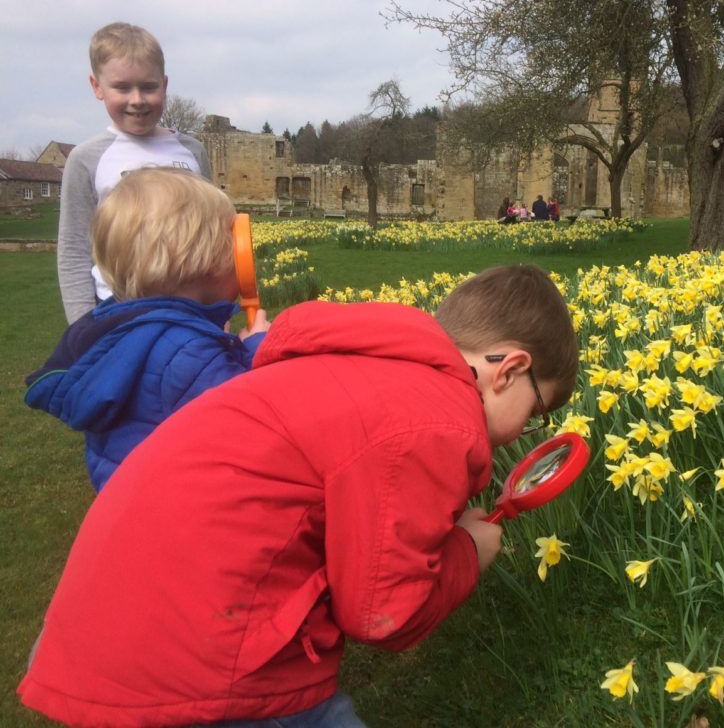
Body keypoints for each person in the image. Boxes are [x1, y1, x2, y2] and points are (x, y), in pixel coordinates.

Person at [18, 264, 579, 727]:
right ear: (510, 370)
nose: (524, 431)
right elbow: (383, 613)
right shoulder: (437, 419)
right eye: (535, 414)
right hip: (205, 659)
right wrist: (466, 555)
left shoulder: (360, 365)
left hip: (120, 622)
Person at [24, 168, 270, 492]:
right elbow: (252, 423)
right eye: (232, 239)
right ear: (206, 258)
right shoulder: (181, 348)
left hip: (132, 500)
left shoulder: (117, 327)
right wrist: (259, 351)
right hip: (185, 510)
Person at [58, 22, 214, 325]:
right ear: (97, 86)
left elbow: (213, 233)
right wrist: (80, 327)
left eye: (148, 87)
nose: (137, 100)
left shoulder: (192, 151)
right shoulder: (86, 159)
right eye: (122, 87)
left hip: (190, 306)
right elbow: (74, 249)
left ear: (164, 85)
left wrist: (217, 306)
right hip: (116, 307)